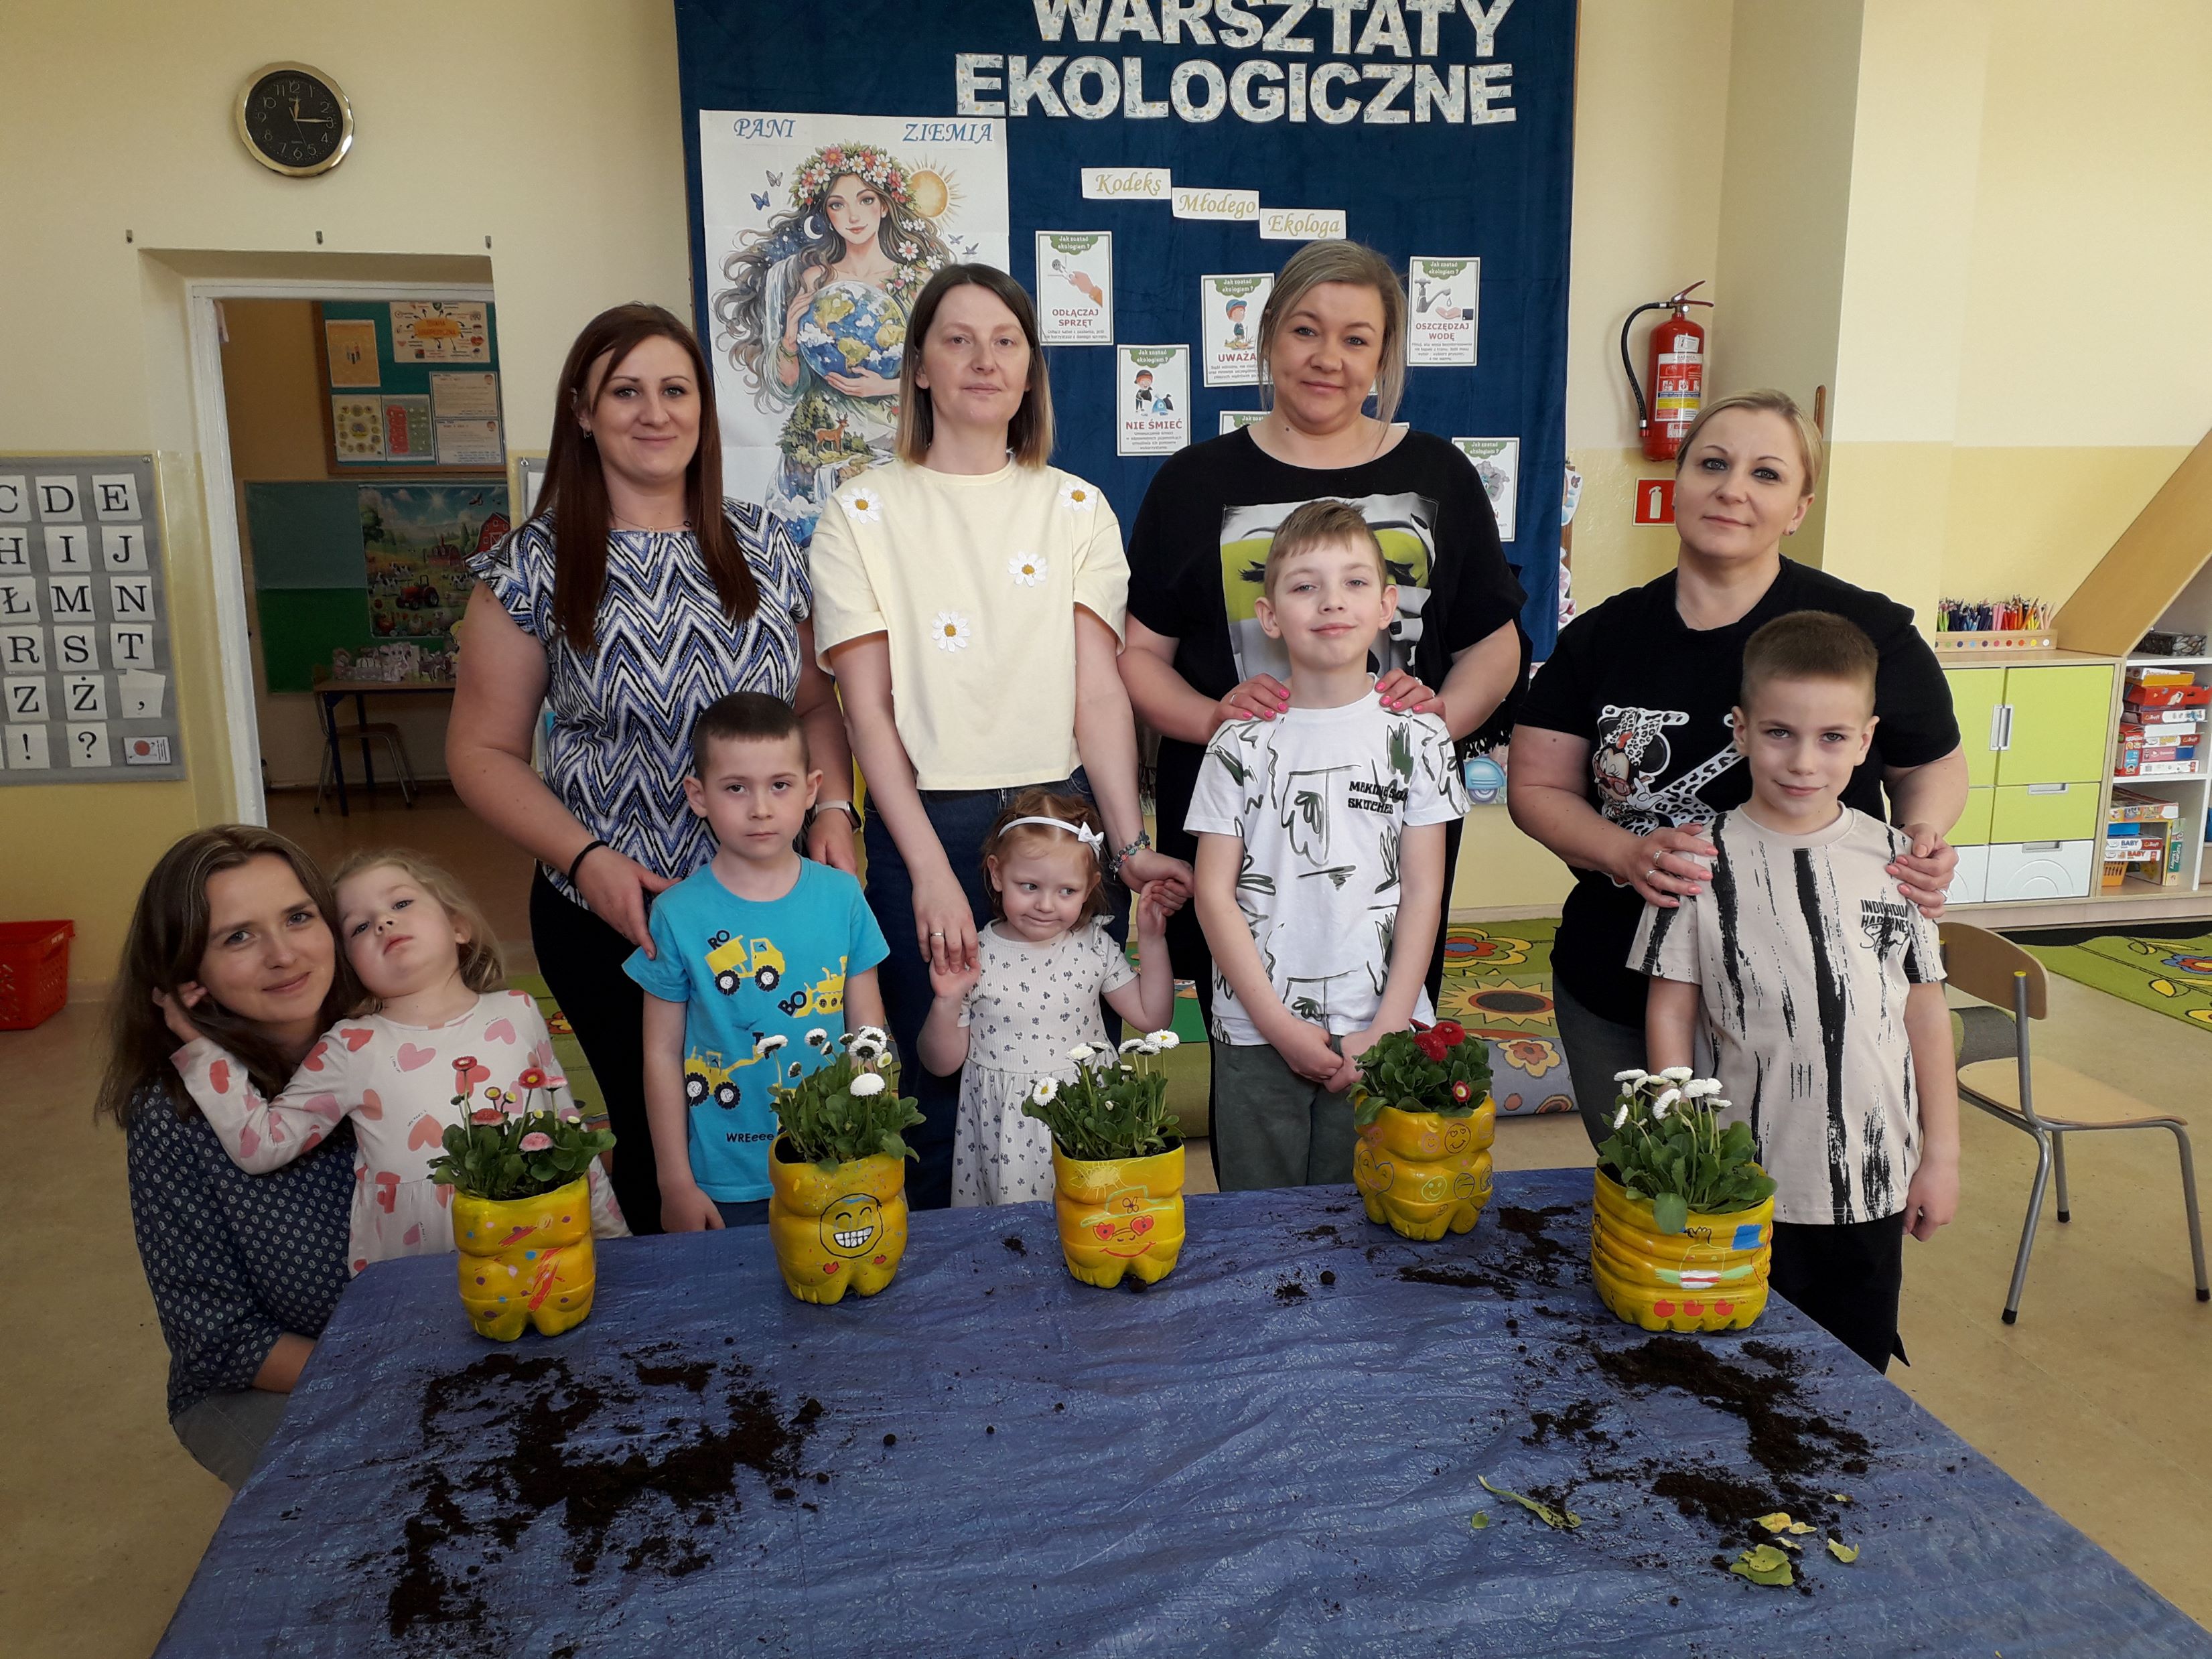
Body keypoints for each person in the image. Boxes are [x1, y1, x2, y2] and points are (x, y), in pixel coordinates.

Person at [449, 303, 860, 1234]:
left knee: (795, 1120)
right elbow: (478, 752)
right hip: (616, 913)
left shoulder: (765, 545)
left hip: (773, 908)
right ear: (582, 410)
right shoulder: (531, 567)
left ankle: (806, 1297)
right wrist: (586, 857)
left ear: (702, 410)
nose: (654, 412)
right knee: (659, 1141)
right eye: (625, 391)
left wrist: (835, 810)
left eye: (675, 390)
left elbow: (812, 706)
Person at [808, 263, 1190, 1210]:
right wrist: (926, 868)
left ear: (1028, 373)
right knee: (937, 1072)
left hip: (1061, 815)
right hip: (925, 818)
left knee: (1079, 1068)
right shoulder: (861, 510)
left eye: (1005, 342)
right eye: (958, 339)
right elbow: (867, 711)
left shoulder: (1075, 507)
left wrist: (1127, 844)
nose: (983, 359)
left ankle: (1082, 1250)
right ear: (919, 367)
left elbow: (1098, 694)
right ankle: (951, 1282)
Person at [1509, 389, 1967, 1151]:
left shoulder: (1865, 631)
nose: (1732, 489)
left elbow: (1932, 762)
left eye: (1766, 474)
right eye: (1713, 464)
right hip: (1620, 982)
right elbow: (1536, 786)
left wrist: (1921, 836)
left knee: (1802, 1193)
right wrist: (1624, 852)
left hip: (1815, 988)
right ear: (1677, 483)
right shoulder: (1601, 637)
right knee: (1656, 1189)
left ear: (1798, 508)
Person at [1119, 239, 1527, 1082]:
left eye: (1355, 338)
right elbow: (1141, 657)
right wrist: (1211, 717)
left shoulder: (1439, 473)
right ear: (1268, 334)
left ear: (1384, 355)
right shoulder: (1191, 482)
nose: (1326, 358)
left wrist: (1433, 718)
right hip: (1242, 834)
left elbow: (1493, 641)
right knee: (1253, 1063)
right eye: (1305, 330)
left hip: (1388, 834)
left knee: (1388, 1070)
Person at [1632, 611, 1960, 1372]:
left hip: (1872, 1180)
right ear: (1740, 729)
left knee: (1855, 1370)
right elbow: (1671, 1007)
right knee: (1736, 1366)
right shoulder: (1695, 859)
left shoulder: (1897, 861)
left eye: (1832, 737)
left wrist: (1940, 1155)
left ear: (1866, 740)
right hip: (1739, 1181)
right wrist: (1678, 1141)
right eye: (1779, 732)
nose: (1804, 761)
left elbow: (1924, 1011)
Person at [1186, 500, 1472, 1189]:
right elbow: (1213, 894)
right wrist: (1277, 1025)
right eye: (1305, 585)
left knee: (1368, 1213)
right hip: (1257, 1029)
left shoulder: (1420, 735)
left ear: (1386, 605)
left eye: (1353, 582)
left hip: (1382, 1026)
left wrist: (1389, 1025)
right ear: (1269, 615)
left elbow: (1424, 890)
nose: (1331, 601)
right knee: (1260, 1221)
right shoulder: (1237, 741)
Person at [163, 851, 628, 1270]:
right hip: (413, 1276)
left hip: (543, 1246)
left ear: (458, 926)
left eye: (401, 903)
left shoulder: (518, 1010)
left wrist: (616, 1240)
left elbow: (567, 1128)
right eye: (359, 927)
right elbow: (263, 1144)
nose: (383, 922)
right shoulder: (351, 1046)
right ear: (349, 965)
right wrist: (201, 1048)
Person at [99, 827, 358, 1490]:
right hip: (260, 1382)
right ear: (188, 975)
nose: (284, 954)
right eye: (238, 936)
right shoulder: (175, 1115)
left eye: (298, 917)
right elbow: (220, 1340)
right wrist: (389, 1365)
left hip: (423, 1342)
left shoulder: (390, 1044)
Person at [626, 692, 890, 1232]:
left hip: (836, 1162)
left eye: (780, 785)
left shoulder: (843, 896)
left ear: (812, 789)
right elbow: (660, 1053)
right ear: (698, 795)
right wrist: (674, 1182)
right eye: (736, 788)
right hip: (725, 1182)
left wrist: (873, 1145)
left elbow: (869, 1032)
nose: (761, 808)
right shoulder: (676, 913)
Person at [918, 792, 1180, 1206]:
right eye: (1029, 886)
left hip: (1085, 1118)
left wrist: (1151, 939)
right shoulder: (974, 955)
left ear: (1089, 887)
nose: (1045, 905)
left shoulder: (1094, 945)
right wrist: (947, 1001)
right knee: (1014, 1232)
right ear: (997, 874)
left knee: (1089, 1220)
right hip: (1006, 1132)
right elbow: (941, 1063)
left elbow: (1153, 1018)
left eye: (1066, 891)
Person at [711, 143, 955, 541]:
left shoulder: (920, 281)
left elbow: (947, 375)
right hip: (818, 446)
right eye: (838, 205)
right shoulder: (812, 279)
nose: (853, 216)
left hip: (897, 442)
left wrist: (885, 386)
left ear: (885, 205)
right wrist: (790, 338)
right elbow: (789, 387)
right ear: (825, 214)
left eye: (865, 200)